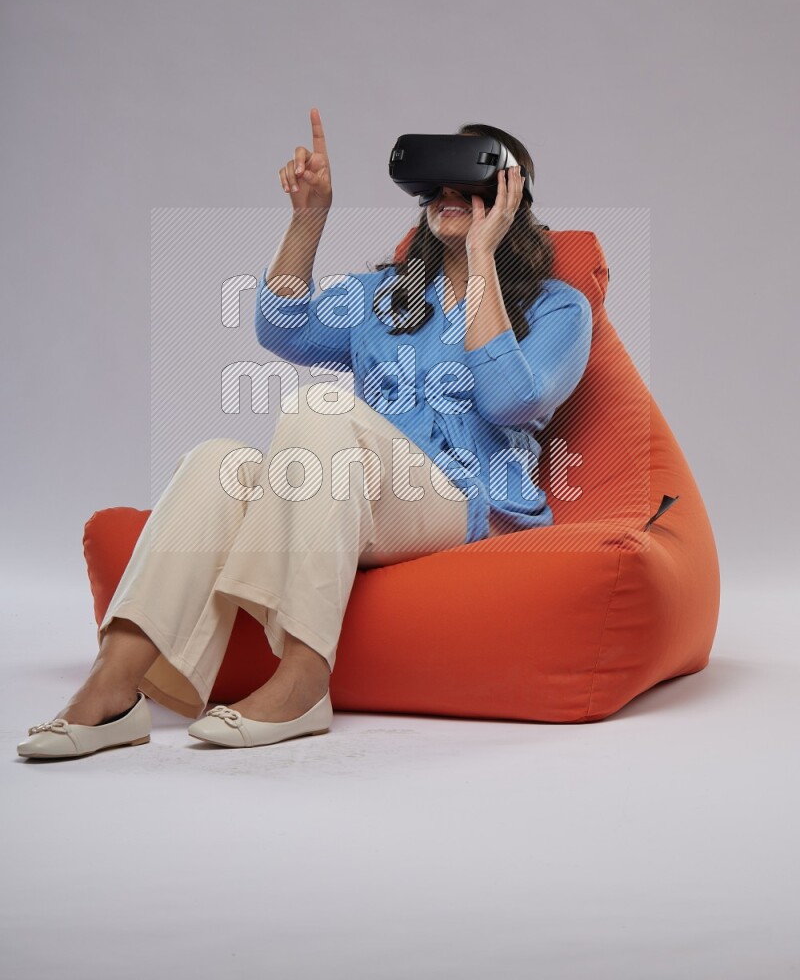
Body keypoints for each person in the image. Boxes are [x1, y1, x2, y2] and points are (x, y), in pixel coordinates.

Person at [17, 108, 592, 760]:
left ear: (510, 196)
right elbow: (282, 325)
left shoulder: (558, 307)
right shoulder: (386, 297)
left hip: (469, 504)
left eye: (469, 182)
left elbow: (511, 398)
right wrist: (308, 217)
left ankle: (303, 678)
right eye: (437, 185)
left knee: (322, 407)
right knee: (216, 463)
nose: (449, 196)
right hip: (362, 493)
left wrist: (482, 256)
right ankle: (113, 689)